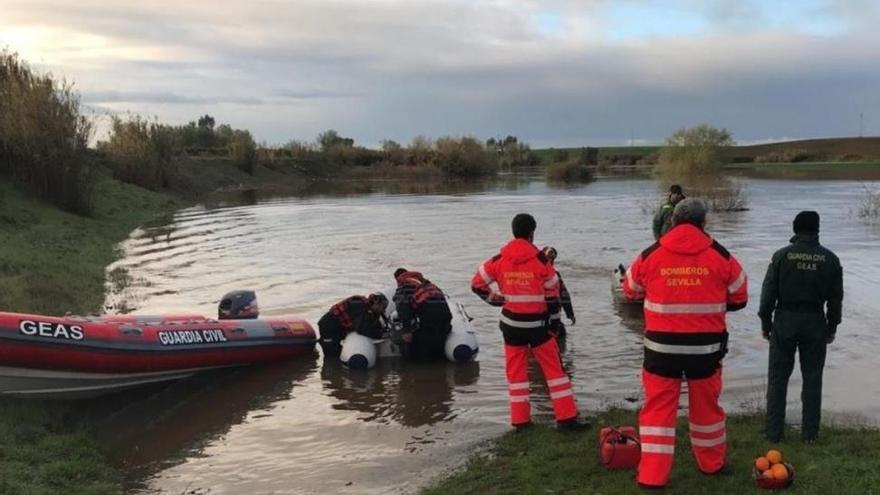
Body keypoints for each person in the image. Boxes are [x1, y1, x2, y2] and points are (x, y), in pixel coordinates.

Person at [622, 198, 748, 489]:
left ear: (673, 221)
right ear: (704, 223)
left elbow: (630, 290)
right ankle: (711, 466)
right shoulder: (721, 255)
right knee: (707, 411)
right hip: (705, 351)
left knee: (657, 412)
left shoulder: (651, 253)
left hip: (660, 350)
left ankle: (652, 477)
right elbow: (740, 296)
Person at [471, 213, 587, 432]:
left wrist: (496, 300)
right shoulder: (541, 261)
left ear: (513, 232)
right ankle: (566, 420)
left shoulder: (498, 259)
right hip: (537, 326)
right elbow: (554, 291)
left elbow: (477, 284)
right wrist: (554, 322)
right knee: (555, 372)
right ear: (532, 233)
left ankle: (521, 422)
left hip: (511, 325)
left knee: (516, 374)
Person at [758, 211, 843, 443]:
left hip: (784, 320)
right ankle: (810, 435)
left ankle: (774, 433)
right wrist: (832, 327)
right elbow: (836, 300)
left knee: (777, 378)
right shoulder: (831, 259)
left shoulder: (781, 256)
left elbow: (767, 297)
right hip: (815, 321)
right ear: (817, 230)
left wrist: (766, 323)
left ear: (795, 229)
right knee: (813, 378)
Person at [392, 268, 452, 362]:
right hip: (446, 315)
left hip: (428, 314)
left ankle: (420, 369)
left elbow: (403, 309)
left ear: (397, 279)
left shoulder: (404, 287)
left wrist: (406, 331)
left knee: (419, 351)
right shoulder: (428, 283)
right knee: (439, 347)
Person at [317, 293, 388, 360]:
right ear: (376, 304)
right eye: (383, 307)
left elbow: (374, 324)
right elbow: (362, 329)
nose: (384, 310)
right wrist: (379, 335)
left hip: (338, 327)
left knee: (338, 351)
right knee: (332, 356)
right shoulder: (360, 307)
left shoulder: (369, 309)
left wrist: (383, 331)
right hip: (328, 326)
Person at [541, 247, 576, 339]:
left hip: (551, 316)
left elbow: (564, 294)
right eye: (549, 258)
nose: (551, 261)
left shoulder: (555, 274)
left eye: (552, 258)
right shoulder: (538, 273)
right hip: (541, 316)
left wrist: (570, 314)